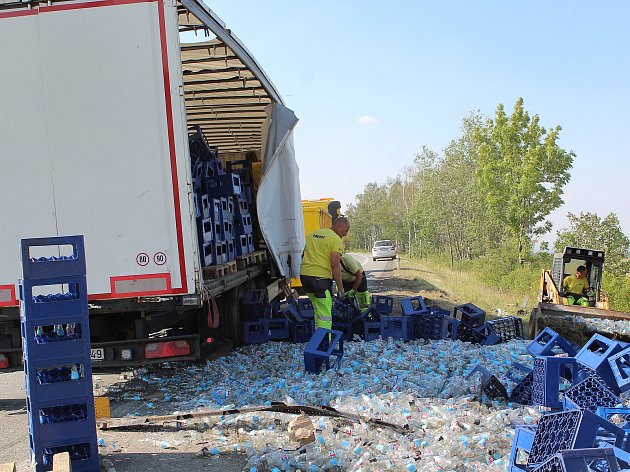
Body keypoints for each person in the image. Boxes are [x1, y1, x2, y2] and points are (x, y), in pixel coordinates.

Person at [300, 217, 350, 330]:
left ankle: (317, 340)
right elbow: (335, 264)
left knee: (318, 309)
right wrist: (341, 288)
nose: (346, 234)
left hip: (305, 277)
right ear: (338, 226)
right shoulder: (336, 240)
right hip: (320, 279)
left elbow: (303, 255)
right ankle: (325, 343)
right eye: (345, 230)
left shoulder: (313, 234)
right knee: (325, 314)